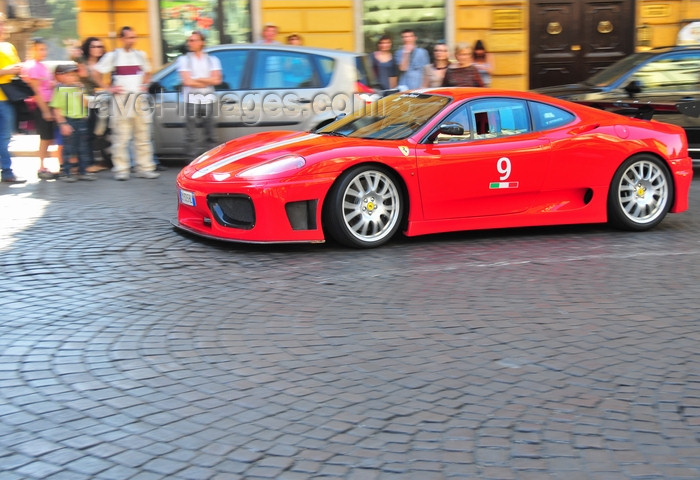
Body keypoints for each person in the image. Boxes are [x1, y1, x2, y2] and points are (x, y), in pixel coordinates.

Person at [93, 26, 159, 181]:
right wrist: (109, 88)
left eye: (134, 37)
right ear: (122, 39)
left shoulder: (140, 55)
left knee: (143, 135)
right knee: (121, 136)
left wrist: (144, 85)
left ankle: (145, 167)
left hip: (138, 98)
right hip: (121, 100)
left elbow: (148, 72)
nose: (132, 40)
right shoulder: (113, 56)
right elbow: (95, 73)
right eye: (129, 37)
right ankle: (121, 169)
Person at [177, 30, 222, 159]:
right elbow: (187, 81)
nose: (190, 43)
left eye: (193, 40)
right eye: (189, 40)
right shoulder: (184, 59)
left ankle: (211, 160)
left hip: (208, 98)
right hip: (191, 98)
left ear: (201, 42)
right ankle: (191, 161)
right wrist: (207, 81)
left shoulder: (212, 59)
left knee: (210, 133)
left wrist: (196, 79)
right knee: (191, 134)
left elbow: (217, 80)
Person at [49, 63, 96, 182]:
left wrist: (81, 92)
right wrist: (63, 124)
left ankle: (83, 171)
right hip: (68, 121)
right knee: (69, 148)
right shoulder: (60, 90)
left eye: (75, 75)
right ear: (63, 77)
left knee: (83, 148)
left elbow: (86, 104)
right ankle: (67, 172)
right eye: (70, 75)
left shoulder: (79, 89)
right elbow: (57, 109)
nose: (73, 78)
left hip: (81, 121)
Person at [23, 38, 56, 180]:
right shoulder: (34, 67)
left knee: (48, 138)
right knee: (45, 138)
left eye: (45, 49)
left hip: (48, 104)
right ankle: (41, 167)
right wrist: (46, 111)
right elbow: (37, 92)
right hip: (41, 106)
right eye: (40, 49)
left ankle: (44, 166)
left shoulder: (41, 66)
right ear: (32, 50)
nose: (43, 52)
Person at [79, 36, 110, 172]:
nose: (98, 49)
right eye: (94, 46)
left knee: (102, 132)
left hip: (101, 101)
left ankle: (103, 161)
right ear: (88, 48)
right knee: (89, 132)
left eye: (100, 46)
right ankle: (88, 163)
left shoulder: (104, 64)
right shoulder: (83, 64)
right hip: (85, 101)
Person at [0, 13, 25, 183]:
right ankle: (7, 172)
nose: (4, 26)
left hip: (7, 98)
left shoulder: (9, 46)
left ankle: (7, 172)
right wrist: (7, 71)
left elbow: (19, 70)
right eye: (1, 23)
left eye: (3, 23)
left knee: (6, 137)